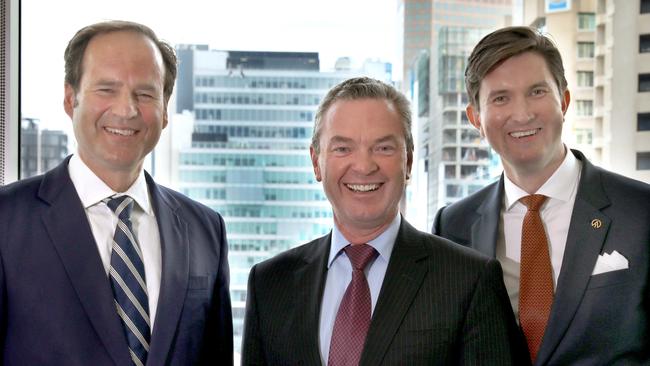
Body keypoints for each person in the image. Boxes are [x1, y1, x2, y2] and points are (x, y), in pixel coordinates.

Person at [242, 77, 523, 365]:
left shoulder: (470, 280)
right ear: (316, 162)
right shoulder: (269, 284)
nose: (364, 166)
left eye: (383, 148)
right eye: (342, 148)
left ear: (409, 162)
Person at [0, 21, 233, 365]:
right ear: (70, 98)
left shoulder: (205, 229)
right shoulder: (6, 220)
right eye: (106, 89)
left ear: (165, 109)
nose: (127, 110)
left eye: (145, 93)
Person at [433, 26, 650, 365]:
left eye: (536, 92)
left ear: (564, 100)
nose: (522, 114)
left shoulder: (641, 211)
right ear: (475, 117)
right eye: (500, 98)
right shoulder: (453, 226)